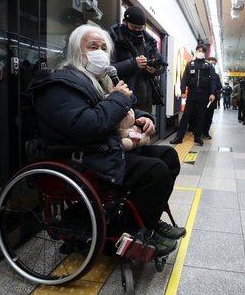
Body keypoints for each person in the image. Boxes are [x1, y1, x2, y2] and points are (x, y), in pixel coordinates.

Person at [27, 24, 184, 256]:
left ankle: (146, 219)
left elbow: (121, 108)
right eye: (92, 46)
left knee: (169, 156)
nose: (99, 52)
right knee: (155, 171)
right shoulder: (60, 85)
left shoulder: (94, 80)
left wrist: (144, 118)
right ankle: (133, 231)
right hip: (81, 157)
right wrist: (118, 99)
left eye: (103, 47)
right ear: (76, 52)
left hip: (101, 149)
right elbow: (89, 125)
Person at [110, 6, 166, 113]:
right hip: (124, 99)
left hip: (146, 100)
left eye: (140, 28)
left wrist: (155, 70)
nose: (137, 31)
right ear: (124, 21)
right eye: (134, 27)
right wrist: (133, 64)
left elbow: (162, 64)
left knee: (147, 128)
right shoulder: (114, 39)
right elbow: (108, 68)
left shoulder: (149, 42)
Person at [170, 45, 219, 146]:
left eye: (202, 51)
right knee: (186, 115)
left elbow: (213, 80)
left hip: (203, 94)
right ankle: (179, 137)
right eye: (198, 51)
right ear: (196, 52)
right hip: (192, 94)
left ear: (205, 54)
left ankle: (197, 137)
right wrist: (183, 91)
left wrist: (213, 93)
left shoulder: (208, 66)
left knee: (201, 116)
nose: (200, 52)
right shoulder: (190, 64)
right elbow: (185, 79)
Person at [202, 57, 222, 139]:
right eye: (210, 63)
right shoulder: (201, 74)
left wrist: (214, 89)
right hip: (202, 97)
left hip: (212, 99)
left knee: (209, 116)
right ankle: (198, 131)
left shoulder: (216, 76)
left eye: (214, 64)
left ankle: (206, 132)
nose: (212, 65)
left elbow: (220, 86)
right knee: (200, 115)